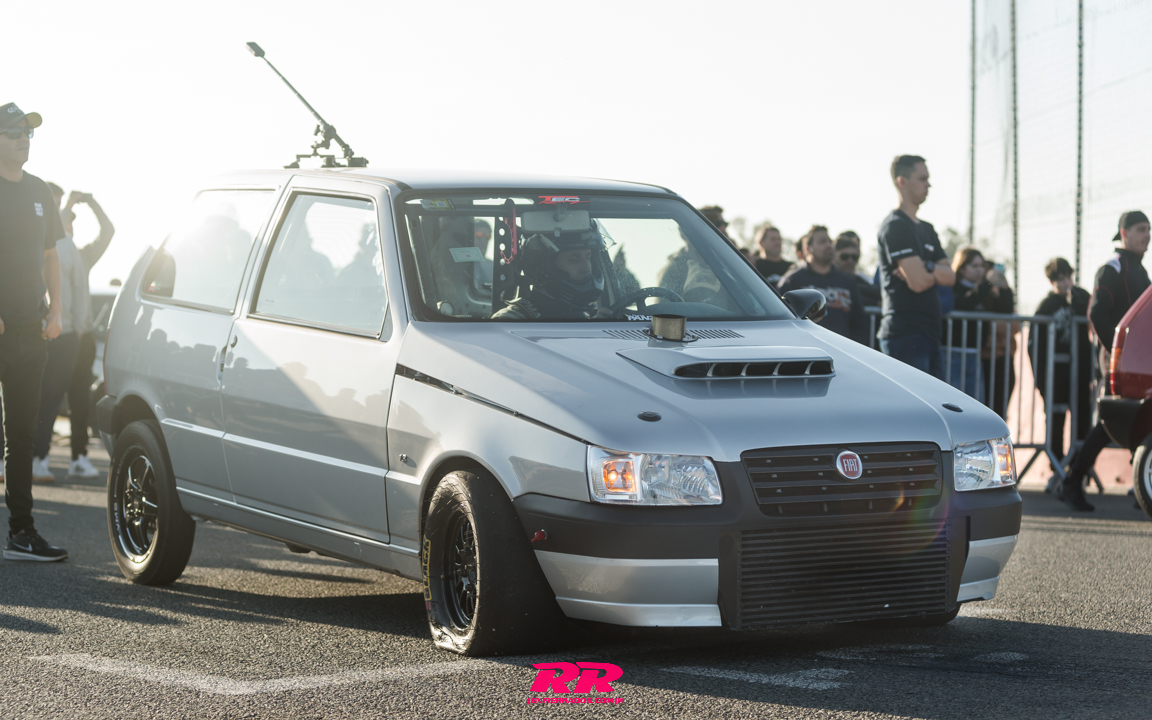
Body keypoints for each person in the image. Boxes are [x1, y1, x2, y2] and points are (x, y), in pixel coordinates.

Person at [0, 102, 68, 561]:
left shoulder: (40, 189)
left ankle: (21, 534)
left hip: (31, 330)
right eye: (14, 132)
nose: (23, 138)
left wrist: (56, 310)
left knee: (22, 438)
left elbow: (50, 256)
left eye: (27, 132)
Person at [1062, 211, 1151, 510]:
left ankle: (1143, 485)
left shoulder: (1140, 270)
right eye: (1141, 229)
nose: (1147, 235)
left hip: (1138, 360)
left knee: (1140, 417)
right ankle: (1072, 481)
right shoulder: (1112, 268)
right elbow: (1096, 313)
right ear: (1124, 233)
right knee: (1109, 423)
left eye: (1149, 230)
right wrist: (1115, 351)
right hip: (1117, 357)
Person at [28, 187, 114, 480]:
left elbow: (108, 232)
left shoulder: (80, 255)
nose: (68, 219)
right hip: (57, 333)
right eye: (58, 208)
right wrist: (68, 206)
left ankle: (78, 458)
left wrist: (91, 202)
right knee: (48, 398)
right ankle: (38, 457)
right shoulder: (44, 244)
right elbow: (49, 231)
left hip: (81, 336)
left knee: (79, 401)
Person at [877, 155, 956, 379]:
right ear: (902, 182)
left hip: (930, 334)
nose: (928, 185)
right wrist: (931, 272)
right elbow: (919, 283)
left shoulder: (928, 229)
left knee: (934, 401)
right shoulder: (895, 226)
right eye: (922, 179)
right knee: (911, 403)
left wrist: (925, 266)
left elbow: (950, 277)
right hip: (905, 335)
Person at [1029, 257, 1092, 479]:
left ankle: (1078, 466)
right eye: (1062, 278)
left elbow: (1089, 320)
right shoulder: (1046, 306)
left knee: (1082, 416)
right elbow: (1034, 344)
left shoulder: (1078, 300)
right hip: (1055, 373)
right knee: (1056, 419)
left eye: (1069, 277)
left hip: (1079, 371)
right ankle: (1057, 465)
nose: (1067, 282)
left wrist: (1083, 302)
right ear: (1052, 281)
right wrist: (1040, 378)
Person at [493, 227, 609, 320]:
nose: (587, 269)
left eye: (588, 258)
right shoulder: (511, 320)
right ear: (545, 267)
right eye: (574, 260)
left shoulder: (588, 314)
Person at [778, 225, 868, 344]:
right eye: (822, 242)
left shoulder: (847, 281)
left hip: (842, 348)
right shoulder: (793, 280)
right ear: (808, 248)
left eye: (830, 241)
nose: (828, 245)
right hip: (807, 348)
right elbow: (781, 320)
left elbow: (860, 321)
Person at [945, 246, 988, 401]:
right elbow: (963, 304)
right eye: (974, 266)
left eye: (982, 266)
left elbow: (1005, 308)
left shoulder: (985, 289)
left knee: (976, 404)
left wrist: (1003, 289)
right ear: (962, 268)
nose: (980, 270)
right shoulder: (952, 287)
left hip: (975, 354)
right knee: (953, 403)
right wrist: (986, 286)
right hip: (953, 355)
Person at [980, 260, 1018, 419]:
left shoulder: (1002, 295)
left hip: (1004, 358)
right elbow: (985, 326)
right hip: (985, 359)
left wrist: (1004, 288)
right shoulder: (980, 294)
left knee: (1000, 411)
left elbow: (1015, 325)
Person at [834, 231, 882, 306]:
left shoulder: (857, 278)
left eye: (854, 257)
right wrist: (875, 303)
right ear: (834, 256)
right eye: (844, 257)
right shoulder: (827, 278)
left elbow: (878, 291)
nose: (850, 261)